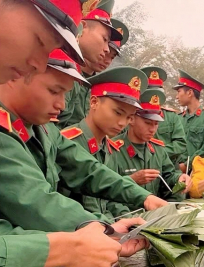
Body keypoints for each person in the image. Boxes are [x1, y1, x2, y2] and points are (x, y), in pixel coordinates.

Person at [0, 0, 145, 267]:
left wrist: (98, 237)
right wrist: (59, 248)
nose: (38, 63)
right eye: (40, 40)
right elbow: (34, 199)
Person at [0, 49, 163, 232]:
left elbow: (86, 169)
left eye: (65, 94)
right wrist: (103, 229)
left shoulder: (43, 127)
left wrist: (144, 197)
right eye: (54, 91)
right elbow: (34, 200)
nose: (62, 104)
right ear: (15, 75)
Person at [61, 67, 168, 217]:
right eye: (118, 113)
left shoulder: (110, 148)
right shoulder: (68, 142)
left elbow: (110, 201)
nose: (122, 122)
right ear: (94, 102)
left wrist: (131, 221)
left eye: (129, 117)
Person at [111, 88, 192, 202]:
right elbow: (106, 190)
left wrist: (179, 178)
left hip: (154, 214)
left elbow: (168, 176)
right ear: (132, 119)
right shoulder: (113, 150)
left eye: (156, 124)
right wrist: (132, 179)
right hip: (125, 215)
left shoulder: (158, 149)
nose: (153, 129)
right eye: (148, 123)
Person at [56, 0, 122, 128]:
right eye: (104, 39)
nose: (106, 50)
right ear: (83, 26)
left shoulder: (76, 74)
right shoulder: (60, 65)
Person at [142, 66, 188, 168]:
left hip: (167, 168)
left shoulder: (171, 117)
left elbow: (180, 144)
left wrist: (157, 152)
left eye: (158, 92)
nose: (154, 95)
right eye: (149, 91)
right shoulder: (132, 116)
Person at [174, 69, 204, 173]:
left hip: (198, 172)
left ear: (189, 93)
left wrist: (186, 165)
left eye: (179, 91)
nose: (176, 96)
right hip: (175, 172)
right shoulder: (179, 118)